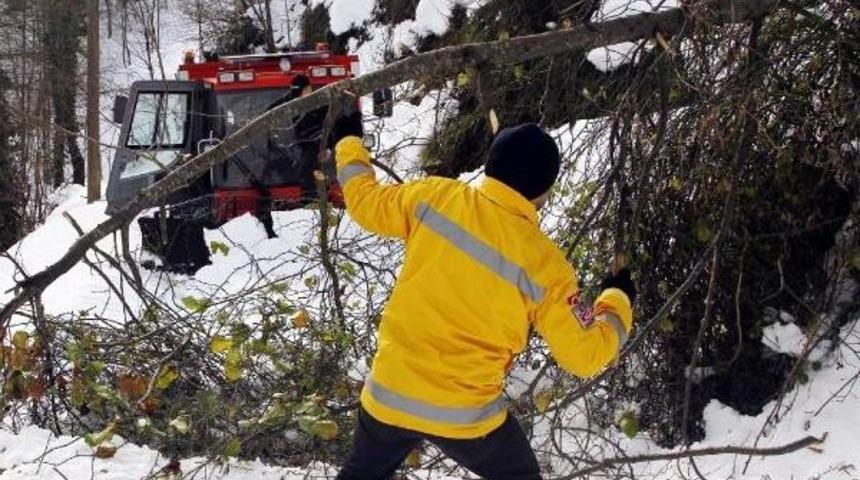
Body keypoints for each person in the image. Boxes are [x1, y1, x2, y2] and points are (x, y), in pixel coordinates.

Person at [329, 116, 637, 479]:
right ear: (544, 192)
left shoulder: (434, 198)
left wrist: (348, 140)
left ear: (490, 166)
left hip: (390, 393)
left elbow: (365, 203)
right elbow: (585, 356)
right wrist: (617, 298)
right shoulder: (544, 265)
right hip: (465, 415)